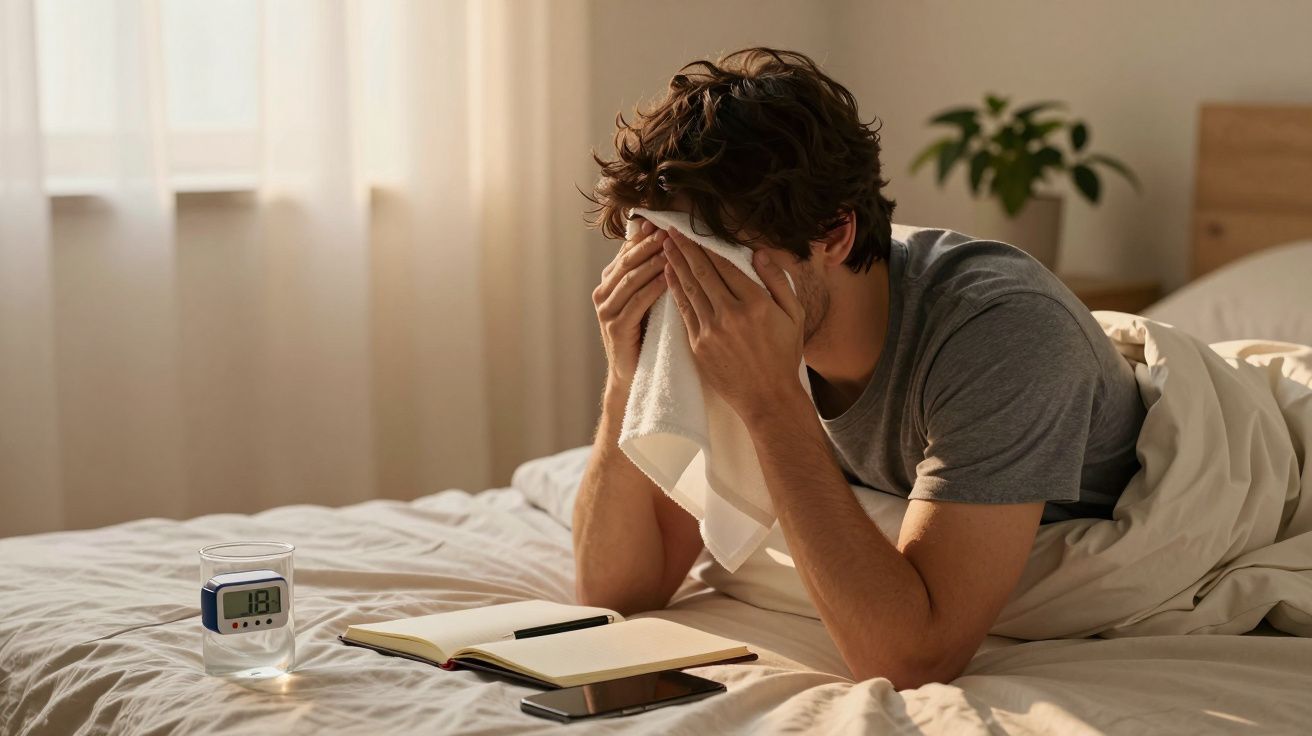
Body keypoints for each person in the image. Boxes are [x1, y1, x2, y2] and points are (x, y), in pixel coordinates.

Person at [572, 48, 1146, 689]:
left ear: (835, 233)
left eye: (713, 256)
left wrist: (770, 403)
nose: (691, 290)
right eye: (665, 251)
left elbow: (911, 657)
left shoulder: (1003, 332)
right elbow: (619, 589)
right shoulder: (724, 310)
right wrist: (625, 377)